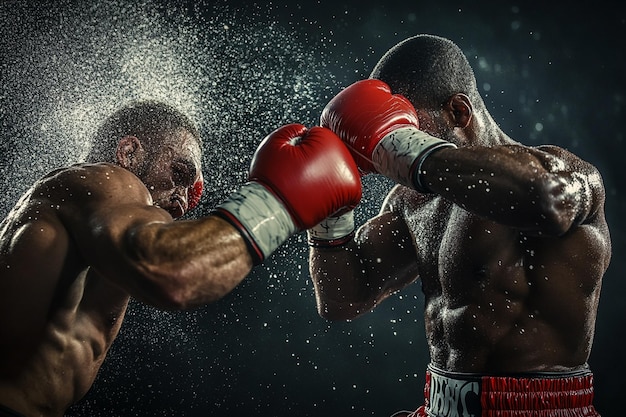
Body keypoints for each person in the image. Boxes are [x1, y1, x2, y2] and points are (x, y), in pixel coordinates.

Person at [308, 34, 611, 416]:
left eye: (407, 133)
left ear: (458, 112)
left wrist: (406, 148)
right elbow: (343, 298)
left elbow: (546, 200)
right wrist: (328, 211)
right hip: (438, 404)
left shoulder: (561, 172)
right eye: (388, 137)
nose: (391, 155)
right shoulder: (412, 200)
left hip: (540, 409)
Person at [0, 101, 361, 417]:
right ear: (129, 153)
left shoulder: (86, 219)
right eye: (181, 173)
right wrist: (279, 200)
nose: (184, 200)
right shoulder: (110, 180)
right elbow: (176, 271)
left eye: (195, 190)